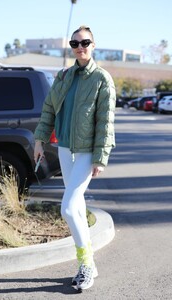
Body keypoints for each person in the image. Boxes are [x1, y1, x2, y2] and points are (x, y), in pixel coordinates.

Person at [34, 25, 116, 291]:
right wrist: (39, 139)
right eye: (75, 43)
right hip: (65, 148)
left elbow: (105, 122)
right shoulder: (64, 76)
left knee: (68, 208)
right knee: (77, 207)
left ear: (94, 45)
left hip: (85, 152)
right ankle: (88, 260)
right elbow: (49, 108)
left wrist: (100, 157)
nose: (80, 47)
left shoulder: (102, 79)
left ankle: (86, 264)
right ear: (71, 47)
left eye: (85, 43)